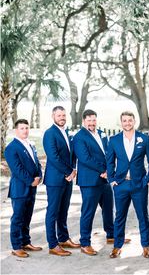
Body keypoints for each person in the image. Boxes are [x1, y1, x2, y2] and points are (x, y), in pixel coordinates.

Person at [73, 109, 124, 256]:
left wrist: (109, 171)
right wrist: (104, 170)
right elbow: (85, 158)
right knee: (88, 212)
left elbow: (108, 153)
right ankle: (85, 243)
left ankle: (111, 235)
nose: (92, 122)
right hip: (89, 180)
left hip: (105, 179)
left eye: (94, 119)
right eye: (89, 120)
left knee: (108, 208)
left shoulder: (102, 133)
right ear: (84, 121)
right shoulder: (79, 137)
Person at [107, 111, 149, 259]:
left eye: (130, 120)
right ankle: (117, 246)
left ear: (134, 121)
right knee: (119, 216)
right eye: (124, 120)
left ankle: (146, 247)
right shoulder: (114, 140)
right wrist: (112, 178)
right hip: (121, 184)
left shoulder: (144, 138)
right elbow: (109, 161)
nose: (127, 123)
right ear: (121, 123)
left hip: (139, 185)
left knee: (143, 216)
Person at [43, 106, 80, 256]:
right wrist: (68, 172)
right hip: (55, 180)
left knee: (63, 211)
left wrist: (74, 169)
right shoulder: (49, 133)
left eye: (64, 115)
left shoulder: (67, 132)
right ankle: (53, 245)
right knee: (52, 212)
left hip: (68, 179)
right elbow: (53, 157)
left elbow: (72, 155)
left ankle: (64, 238)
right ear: (53, 116)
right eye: (59, 115)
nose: (62, 117)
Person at [4, 119, 43, 258]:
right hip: (20, 189)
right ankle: (16, 246)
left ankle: (26, 242)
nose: (25, 130)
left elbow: (37, 163)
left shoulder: (31, 144)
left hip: (32, 187)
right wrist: (31, 181)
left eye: (27, 128)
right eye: (22, 128)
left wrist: (39, 176)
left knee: (27, 217)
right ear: (16, 130)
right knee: (18, 218)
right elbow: (17, 169)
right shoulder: (11, 148)